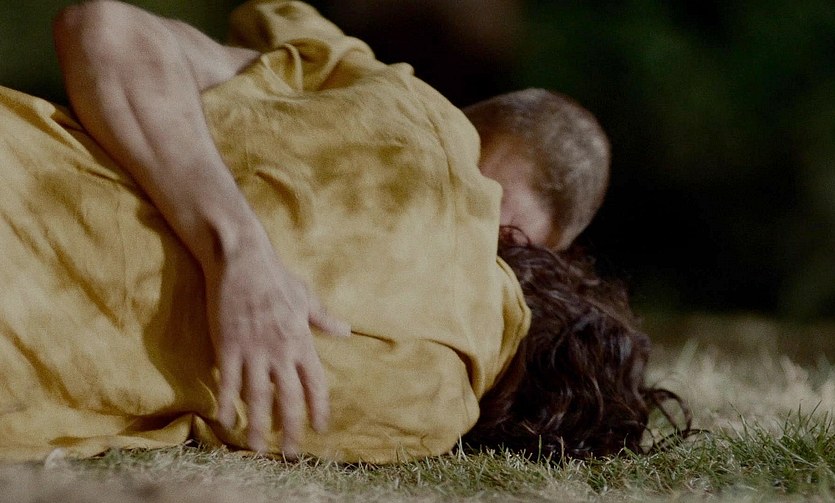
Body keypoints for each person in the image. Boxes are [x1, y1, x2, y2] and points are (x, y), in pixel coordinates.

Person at [0, 0, 679, 462]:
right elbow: (104, 27)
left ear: (541, 262)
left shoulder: (434, 392)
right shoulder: (373, 95)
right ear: (449, 122)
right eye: (468, 193)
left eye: (501, 241)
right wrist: (239, 250)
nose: (462, 232)